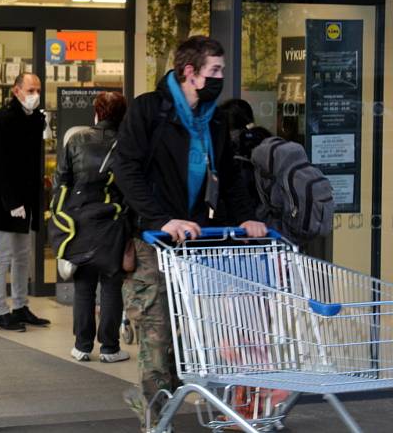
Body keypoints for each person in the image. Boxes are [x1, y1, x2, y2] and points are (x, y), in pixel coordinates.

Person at [112, 36, 267, 426]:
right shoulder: (150, 110)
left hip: (196, 242)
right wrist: (161, 220)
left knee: (193, 339)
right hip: (152, 242)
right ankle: (154, 420)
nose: (219, 78)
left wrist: (247, 217)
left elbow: (228, 178)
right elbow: (126, 170)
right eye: (214, 71)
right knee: (157, 337)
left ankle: (167, 402)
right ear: (189, 73)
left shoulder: (213, 118)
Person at [52, 91, 130, 363]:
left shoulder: (76, 140)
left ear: (96, 113)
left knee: (83, 285)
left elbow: (61, 181)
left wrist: (62, 216)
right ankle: (110, 347)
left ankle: (82, 346)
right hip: (112, 221)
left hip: (79, 222)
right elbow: (131, 185)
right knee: (111, 285)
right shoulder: (127, 143)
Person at [0, 72, 51, 332]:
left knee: (24, 254)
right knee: (4, 255)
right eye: (30, 90)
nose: (35, 95)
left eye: (38, 90)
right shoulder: (3, 119)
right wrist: (11, 201)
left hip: (27, 198)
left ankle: (21, 305)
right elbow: (0, 164)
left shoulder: (35, 119)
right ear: (16, 90)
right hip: (4, 199)